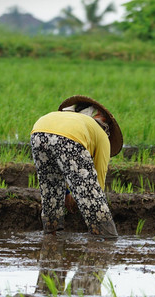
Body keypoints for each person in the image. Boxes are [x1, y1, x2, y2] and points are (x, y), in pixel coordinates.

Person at [30, 95, 123, 238]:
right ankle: (106, 238)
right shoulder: (101, 134)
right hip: (70, 137)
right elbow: (98, 180)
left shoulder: (66, 118)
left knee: (50, 188)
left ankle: (51, 234)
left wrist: (67, 193)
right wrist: (94, 201)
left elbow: (61, 166)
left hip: (38, 130)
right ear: (104, 121)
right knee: (94, 201)